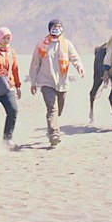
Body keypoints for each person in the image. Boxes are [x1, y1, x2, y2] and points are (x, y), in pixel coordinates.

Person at [27, 19, 85, 148]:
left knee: (58, 110)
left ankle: (53, 125)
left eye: (59, 26)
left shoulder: (67, 44)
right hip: (46, 82)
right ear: (49, 29)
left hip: (62, 83)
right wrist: (33, 82)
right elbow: (35, 64)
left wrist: (79, 67)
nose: (56, 28)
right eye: (54, 26)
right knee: (52, 108)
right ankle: (54, 134)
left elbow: (74, 57)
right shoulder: (41, 44)